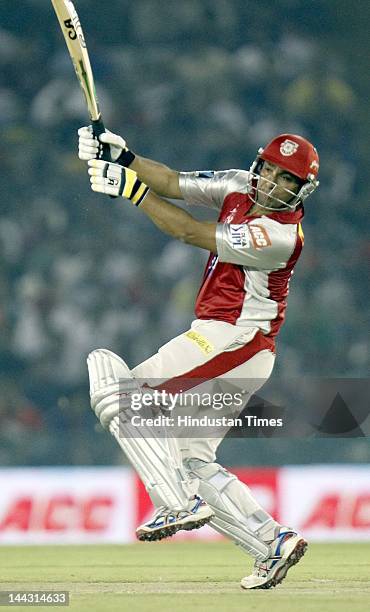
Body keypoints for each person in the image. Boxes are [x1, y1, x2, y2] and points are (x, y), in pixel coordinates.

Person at [78, 126, 319, 589]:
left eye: (286, 178)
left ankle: (174, 502)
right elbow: (170, 182)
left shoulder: (281, 236)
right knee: (191, 457)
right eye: (268, 168)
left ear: (300, 190)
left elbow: (188, 230)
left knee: (119, 392)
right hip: (234, 344)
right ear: (258, 165)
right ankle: (271, 541)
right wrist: (125, 157)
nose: (271, 181)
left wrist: (128, 189)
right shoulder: (237, 185)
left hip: (234, 339)